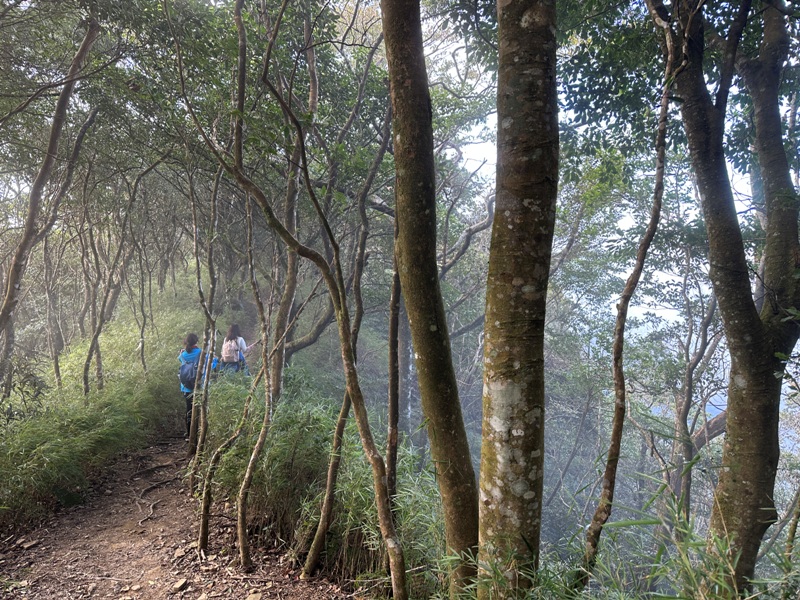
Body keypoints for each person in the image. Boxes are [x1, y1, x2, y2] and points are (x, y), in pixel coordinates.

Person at [179, 333, 201, 437]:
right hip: (199, 386)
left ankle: (189, 433)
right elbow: (208, 365)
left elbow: (181, 361)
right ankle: (198, 433)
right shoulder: (201, 352)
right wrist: (215, 360)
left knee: (189, 409)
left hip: (186, 387)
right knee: (200, 410)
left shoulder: (182, 355)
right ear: (196, 341)